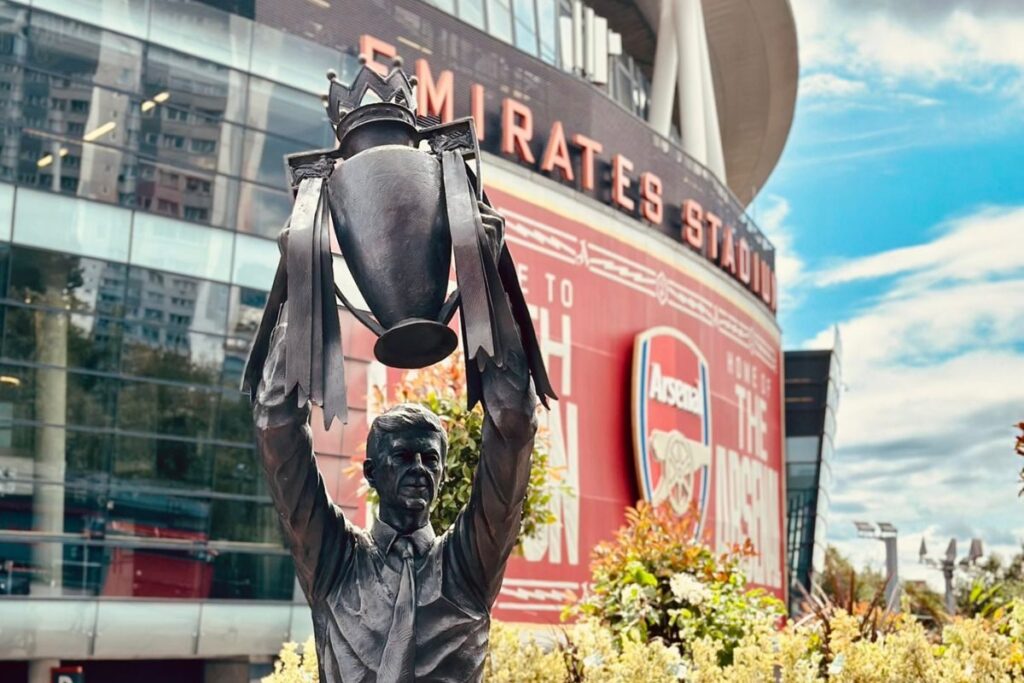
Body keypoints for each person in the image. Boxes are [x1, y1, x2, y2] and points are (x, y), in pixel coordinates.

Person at [253, 273, 538, 682]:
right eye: (403, 457)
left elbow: (513, 424)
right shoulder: (334, 559)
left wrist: (484, 277)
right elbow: (276, 428)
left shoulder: (467, 565)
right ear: (371, 472)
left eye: (430, 459)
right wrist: (304, 281)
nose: (419, 468)